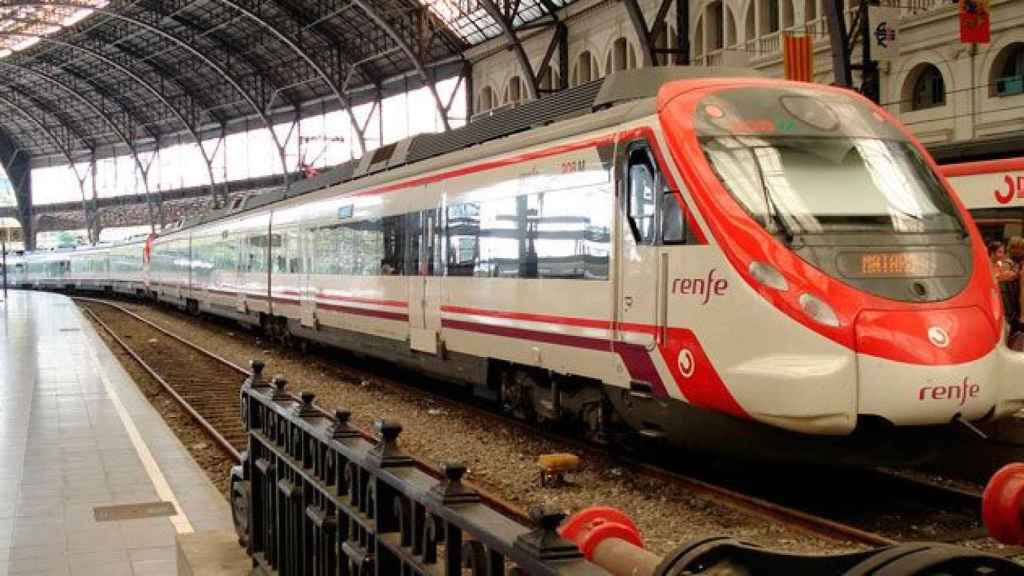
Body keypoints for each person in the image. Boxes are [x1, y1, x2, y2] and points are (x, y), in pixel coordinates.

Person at [990, 240, 1019, 330]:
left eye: (1003, 252)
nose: (1002, 254)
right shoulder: (987, 264)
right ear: (992, 252)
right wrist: (1000, 278)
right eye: (999, 252)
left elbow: (1009, 276)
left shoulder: (1000, 264)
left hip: (1002, 300)